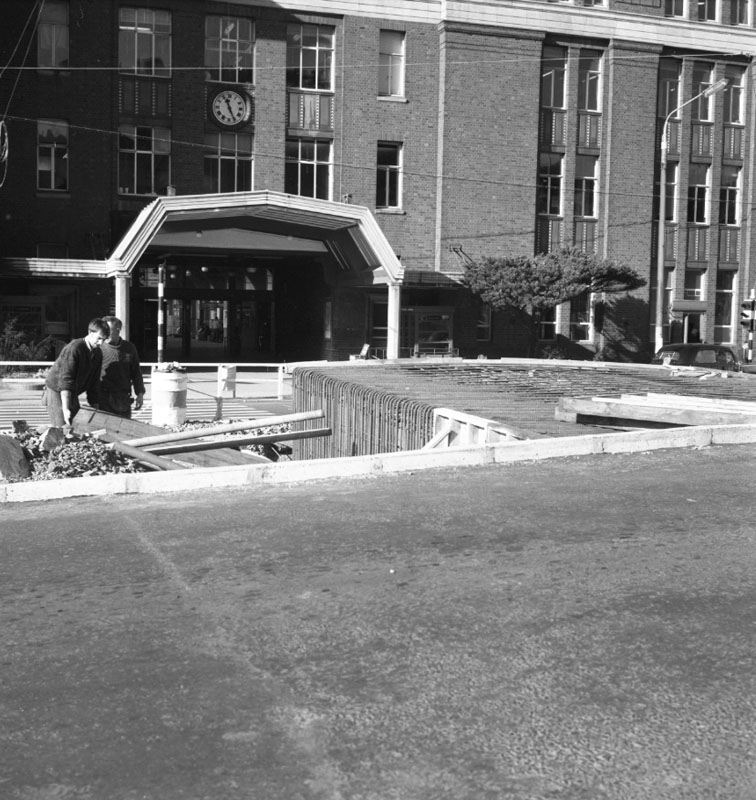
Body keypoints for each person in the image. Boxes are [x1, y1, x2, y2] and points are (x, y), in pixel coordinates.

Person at [44, 318, 110, 427]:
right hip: (56, 390)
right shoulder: (74, 348)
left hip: (72, 391)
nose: (101, 343)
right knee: (62, 428)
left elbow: (94, 383)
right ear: (90, 333)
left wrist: (95, 409)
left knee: (76, 427)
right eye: (99, 338)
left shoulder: (97, 353)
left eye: (104, 340)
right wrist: (65, 408)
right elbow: (66, 379)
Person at [99, 315, 145, 418]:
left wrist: (140, 393)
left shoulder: (129, 348)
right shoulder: (98, 348)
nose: (104, 334)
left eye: (108, 330)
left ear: (118, 330)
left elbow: (136, 372)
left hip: (122, 398)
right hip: (102, 396)